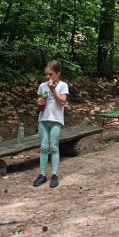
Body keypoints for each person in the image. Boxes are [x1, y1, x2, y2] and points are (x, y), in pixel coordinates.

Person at [33, 60, 69, 188]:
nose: (48, 77)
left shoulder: (63, 86)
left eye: (51, 74)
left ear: (58, 73)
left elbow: (62, 102)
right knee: (43, 147)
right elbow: (40, 105)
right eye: (46, 74)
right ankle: (42, 174)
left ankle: (54, 174)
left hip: (56, 120)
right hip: (43, 119)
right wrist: (40, 103)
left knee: (53, 146)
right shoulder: (42, 86)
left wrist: (53, 90)